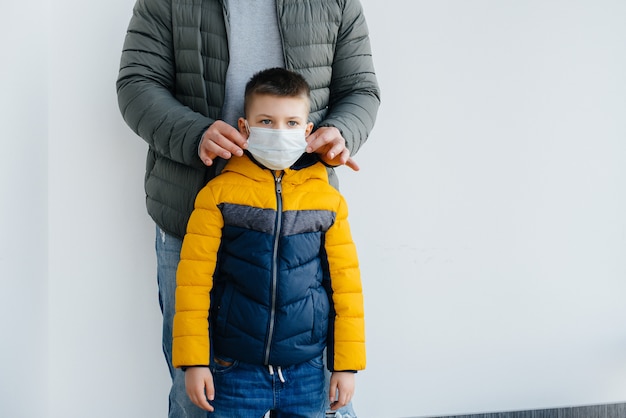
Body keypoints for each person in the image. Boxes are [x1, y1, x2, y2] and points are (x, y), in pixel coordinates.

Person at [116, 1, 379, 416]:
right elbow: (136, 83)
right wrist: (193, 133)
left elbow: (361, 89)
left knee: (323, 400)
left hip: (303, 222)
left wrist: (343, 130)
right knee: (197, 396)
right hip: (191, 210)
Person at [172, 67, 365, 418]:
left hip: (306, 370)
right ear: (245, 128)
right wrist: (194, 361)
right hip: (234, 369)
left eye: (292, 123)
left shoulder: (327, 201)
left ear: (308, 131)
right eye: (266, 121)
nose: (279, 131)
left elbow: (346, 287)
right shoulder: (217, 195)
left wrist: (345, 365)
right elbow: (193, 285)